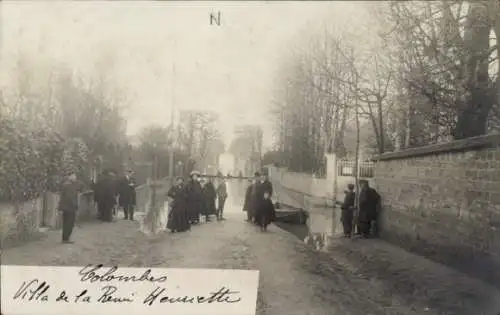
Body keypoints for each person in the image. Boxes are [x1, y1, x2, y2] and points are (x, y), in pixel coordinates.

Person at [58, 172, 82, 244]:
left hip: (65, 206)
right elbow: (70, 197)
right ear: (70, 177)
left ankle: (65, 238)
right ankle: (66, 238)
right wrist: (75, 205)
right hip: (70, 207)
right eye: (74, 176)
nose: (75, 177)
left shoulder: (65, 184)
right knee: (69, 223)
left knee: (66, 222)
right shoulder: (70, 186)